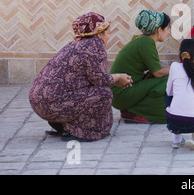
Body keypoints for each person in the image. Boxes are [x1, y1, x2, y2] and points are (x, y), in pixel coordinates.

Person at [29, 12, 133, 142]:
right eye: (108, 32)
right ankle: (83, 131)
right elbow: (100, 80)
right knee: (104, 94)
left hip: (39, 103)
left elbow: (93, 78)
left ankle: (62, 124)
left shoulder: (75, 44)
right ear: (99, 33)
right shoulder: (95, 45)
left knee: (95, 90)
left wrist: (114, 79)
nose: (109, 36)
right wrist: (118, 77)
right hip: (52, 104)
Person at [110, 9, 171, 124]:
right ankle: (135, 112)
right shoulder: (146, 43)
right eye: (167, 29)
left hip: (121, 91)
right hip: (121, 92)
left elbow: (156, 66)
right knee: (166, 80)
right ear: (159, 30)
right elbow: (158, 72)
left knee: (163, 77)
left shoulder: (142, 40)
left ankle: (134, 109)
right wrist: (180, 68)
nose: (168, 32)